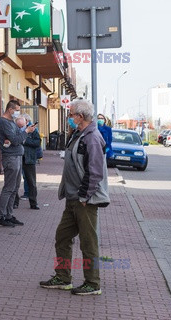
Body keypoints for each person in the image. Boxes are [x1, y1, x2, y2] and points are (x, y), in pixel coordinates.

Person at [40, 99, 110, 295]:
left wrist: (84, 196)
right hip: (73, 198)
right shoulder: (78, 135)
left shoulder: (92, 138)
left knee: (88, 243)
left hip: (85, 200)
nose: (69, 118)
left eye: (71, 115)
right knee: (62, 237)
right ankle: (62, 278)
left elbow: (95, 172)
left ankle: (92, 283)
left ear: (80, 116)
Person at [0, 100, 35, 227]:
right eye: (16, 110)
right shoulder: (4, 122)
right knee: (8, 188)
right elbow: (16, 139)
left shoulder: (12, 122)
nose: (18, 112)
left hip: (17, 156)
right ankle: (0, 217)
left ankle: (9, 215)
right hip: (10, 158)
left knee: (15, 188)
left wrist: (25, 130)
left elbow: (18, 137)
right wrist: (26, 132)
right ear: (10, 110)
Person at [20, 113, 41, 210]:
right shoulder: (17, 130)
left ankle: (33, 203)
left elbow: (37, 142)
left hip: (29, 158)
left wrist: (25, 141)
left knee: (31, 182)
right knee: (15, 181)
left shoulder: (33, 131)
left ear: (27, 122)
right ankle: (15, 202)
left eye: (24, 121)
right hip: (19, 158)